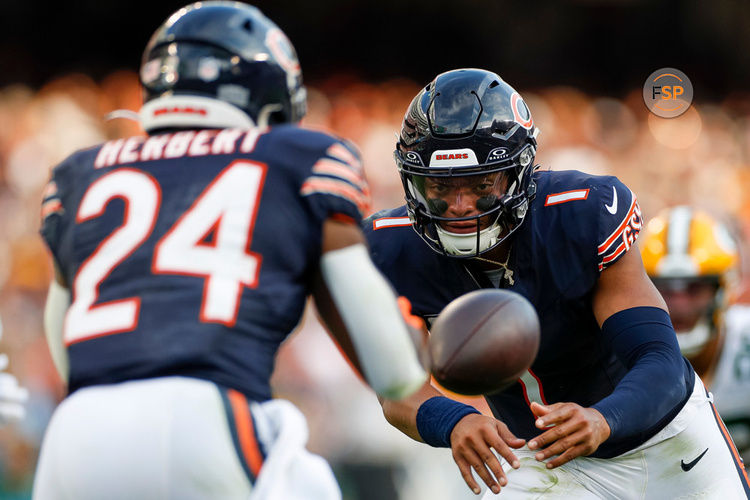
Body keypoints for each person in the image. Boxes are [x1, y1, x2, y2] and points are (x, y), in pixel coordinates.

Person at [33, 2, 428, 499]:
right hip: (206, 415)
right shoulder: (296, 158)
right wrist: (422, 345)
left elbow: (68, 355)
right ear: (268, 98)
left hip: (76, 434)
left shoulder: (79, 172)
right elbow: (393, 371)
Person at [363, 68, 750, 498]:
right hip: (540, 459)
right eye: (439, 186)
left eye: (481, 185)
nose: (460, 206)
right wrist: (454, 420)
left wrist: (603, 419)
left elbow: (659, 359)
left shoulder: (581, 214)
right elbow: (396, 389)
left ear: (519, 173)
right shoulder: (391, 249)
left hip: (664, 440)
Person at [641, 206, 750, 460]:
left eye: (694, 288)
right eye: (665, 290)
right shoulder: (616, 354)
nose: (679, 305)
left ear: (724, 289)